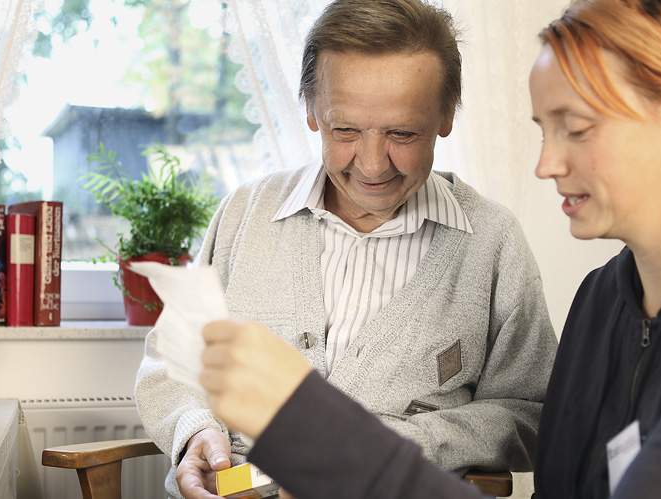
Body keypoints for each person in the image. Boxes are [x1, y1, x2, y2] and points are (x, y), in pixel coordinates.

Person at [198, 0, 661, 498]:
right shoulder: (601, 301)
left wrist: (314, 437)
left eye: (577, 128)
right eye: (544, 129)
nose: (546, 165)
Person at [135, 1, 557, 497]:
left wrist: (385, 445)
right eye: (346, 131)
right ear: (312, 112)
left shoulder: (492, 242)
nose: (374, 165)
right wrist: (196, 429)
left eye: (402, 133)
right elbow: (173, 362)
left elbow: (528, 412)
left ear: (446, 116)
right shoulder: (244, 213)